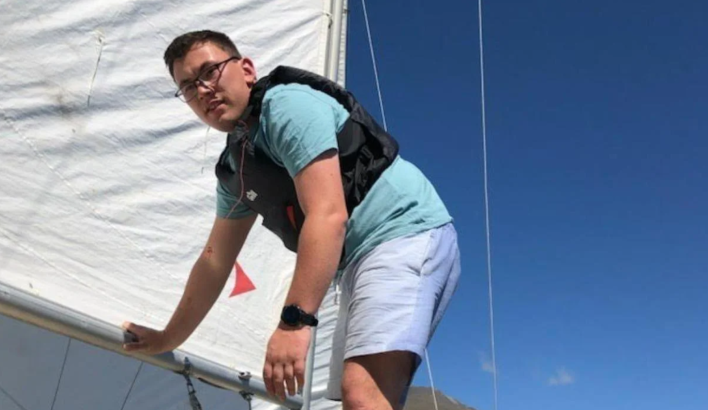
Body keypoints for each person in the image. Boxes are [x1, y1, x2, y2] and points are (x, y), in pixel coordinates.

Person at [122, 30, 461, 410]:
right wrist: (168, 338)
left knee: (363, 396)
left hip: (403, 231)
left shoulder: (288, 106)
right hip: (355, 265)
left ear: (246, 69)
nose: (202, 90)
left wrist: (294, 323)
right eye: (187, 86)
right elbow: (214, 262)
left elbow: (328, 214)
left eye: (210, 72)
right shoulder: (237, 168)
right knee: (359, 401)